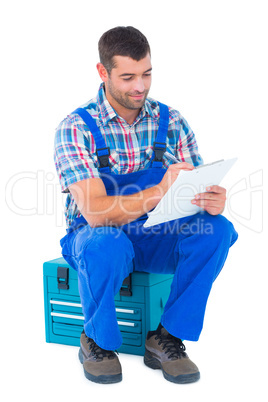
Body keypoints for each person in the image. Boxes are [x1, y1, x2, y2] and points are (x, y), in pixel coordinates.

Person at [54, 26, 238, 385]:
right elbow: (94, 211)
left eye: (147, 74)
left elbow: (189, 190)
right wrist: (158, 191)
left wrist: (208, 200)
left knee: (216, 231)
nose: (140, 86)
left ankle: (165, 337)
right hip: (95, 236)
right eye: (128, 77)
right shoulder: (76, 128)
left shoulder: (171, 121)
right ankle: (96, 340)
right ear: (103, 73)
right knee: (105, 243)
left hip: (155, 233)